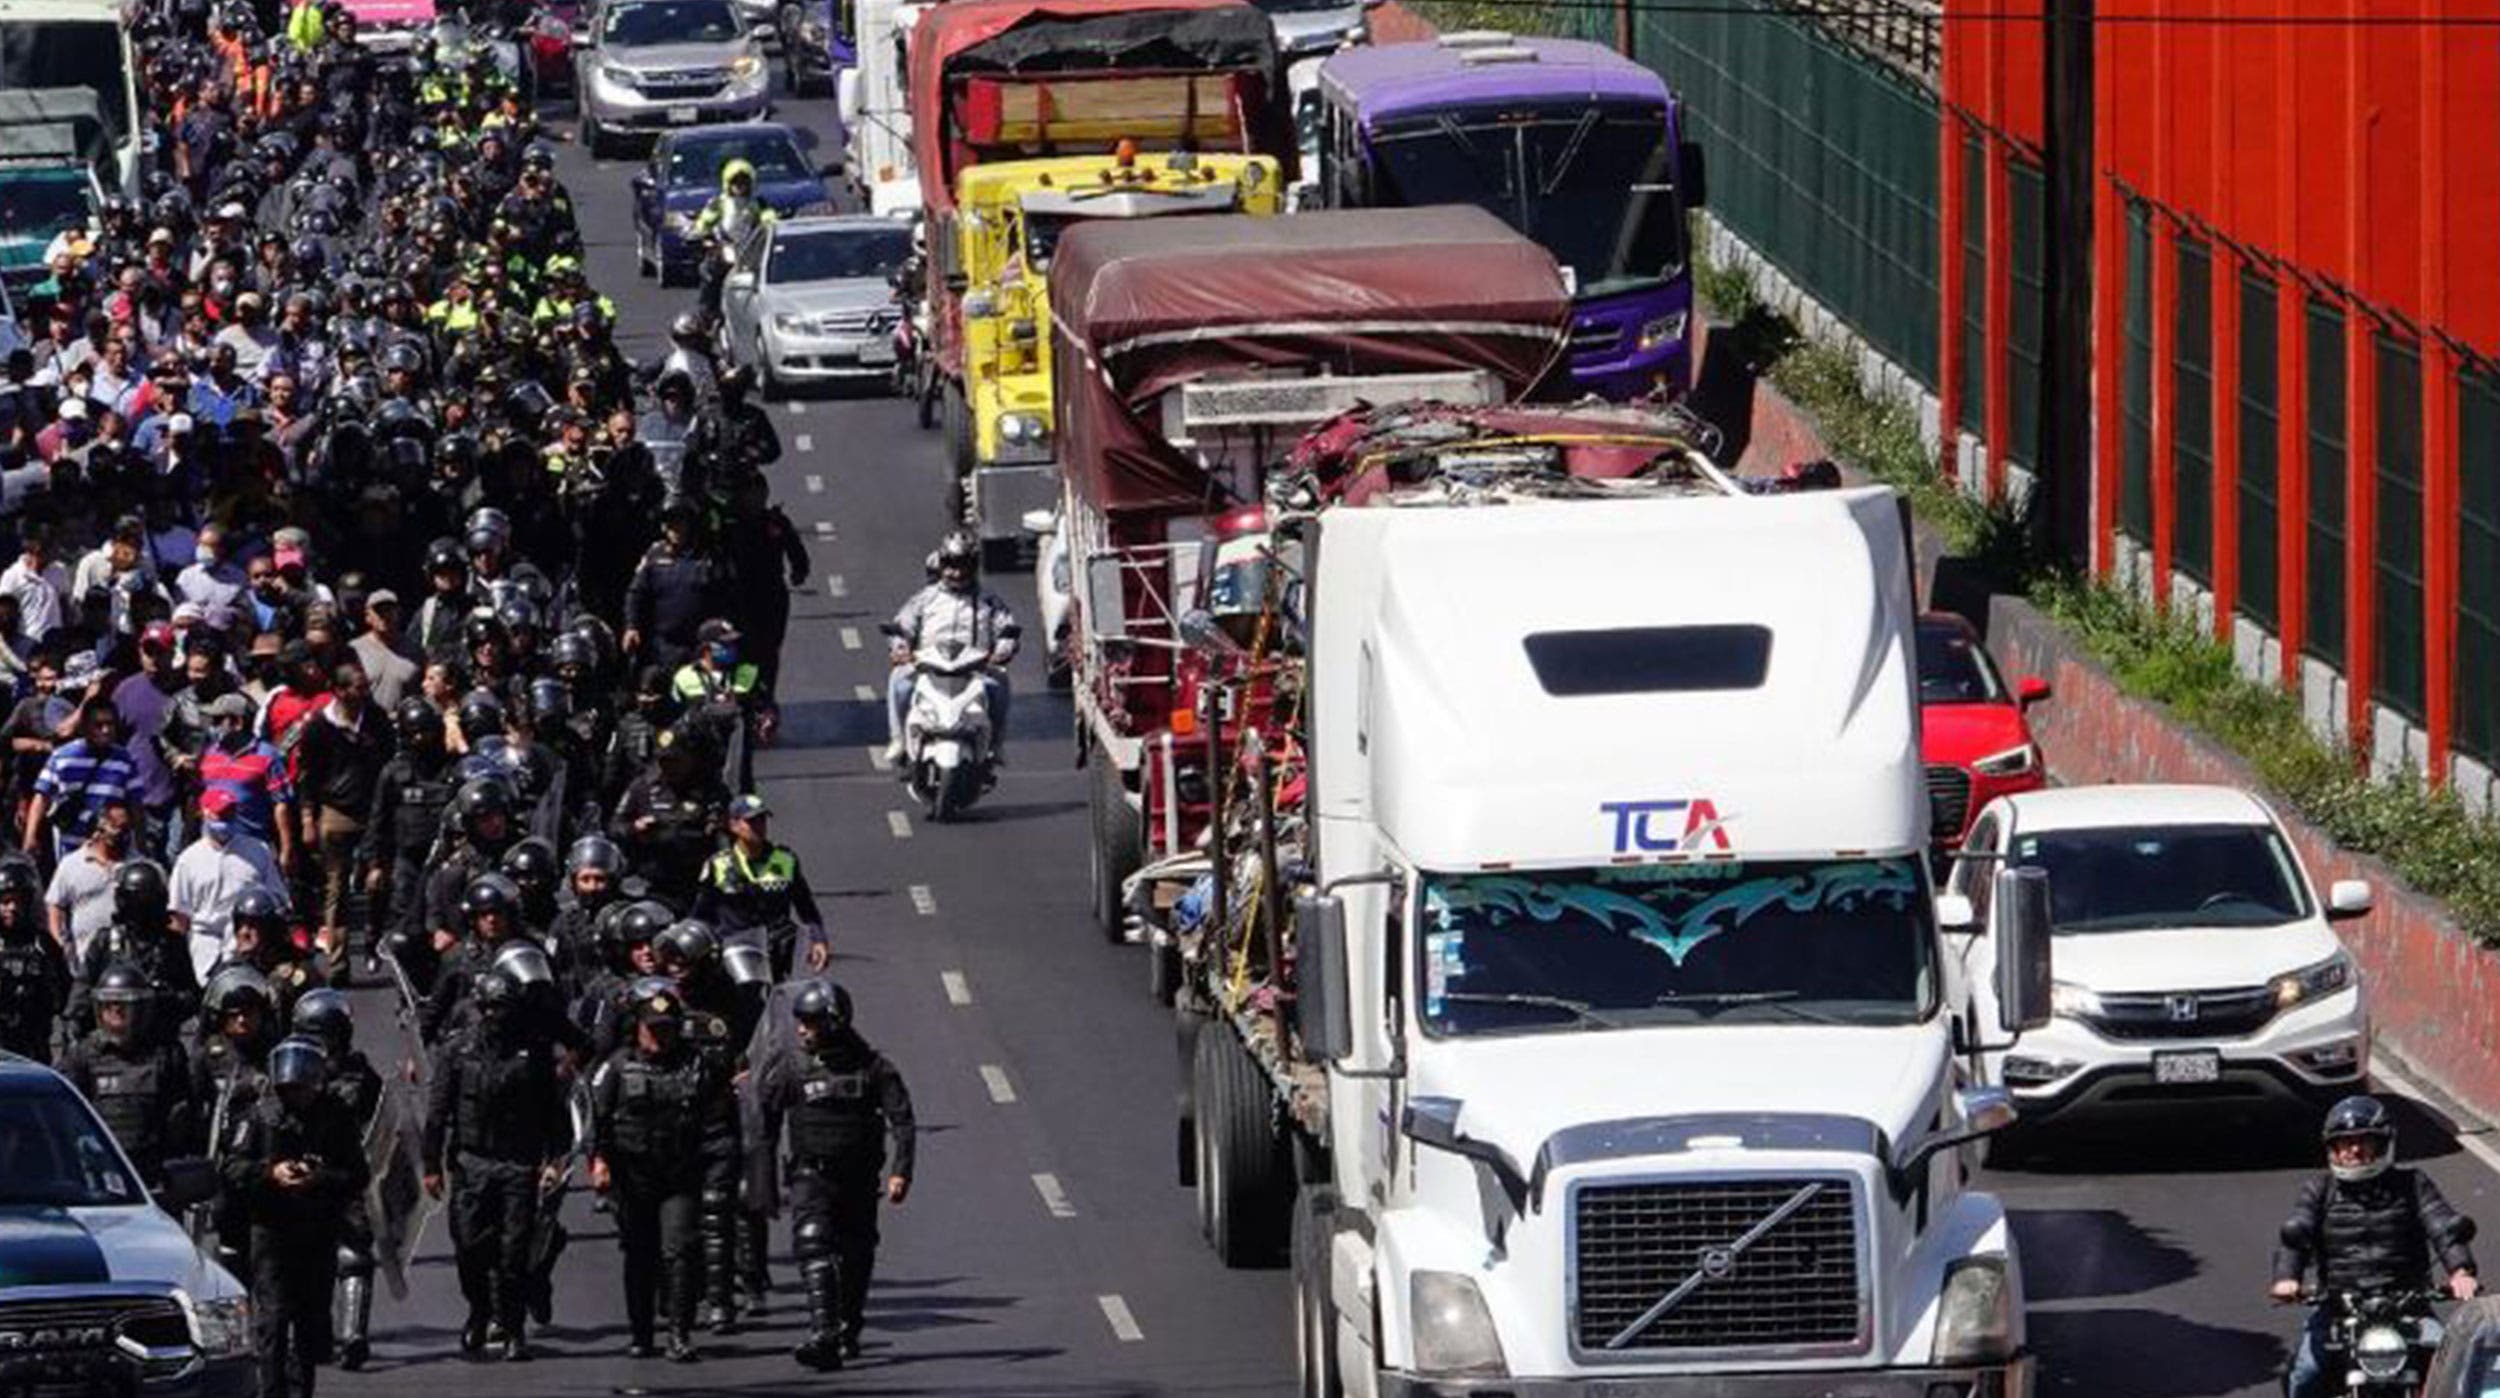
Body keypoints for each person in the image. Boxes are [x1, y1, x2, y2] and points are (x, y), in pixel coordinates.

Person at [750, 980, 914, 1370]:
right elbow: (764, 1126)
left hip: (858, 1179)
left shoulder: (874, 1068)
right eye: (800, 1022)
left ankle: (847, 1329)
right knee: (812, 1243)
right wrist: (761, 1184)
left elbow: (903, 1121)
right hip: (811, 1175)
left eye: (811, 1022)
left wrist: (901, 1172)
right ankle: (823, 1335)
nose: (802, 1030)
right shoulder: (790, 1068)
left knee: (855, 1254)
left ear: (834, 1022)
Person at [2273, 1095, 2480, 1398]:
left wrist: (2460, 1271)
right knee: (2306, 1374)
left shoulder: (2413, 1184)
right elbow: (2297, 1233)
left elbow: (2443, 1225)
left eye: (2364, 1141)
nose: (2355, 1150)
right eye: (2346, 1143)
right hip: (2338, 1308)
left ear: (2383, 1144)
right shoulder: (2319, 1189)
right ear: (2333, 1148)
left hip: (2408, 1307)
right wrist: (2287, 1279)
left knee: (2451, 1369)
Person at [422, 966, 571, 1361]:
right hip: (470, 1162)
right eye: (488, 1007)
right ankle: (479, 1310)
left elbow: (553, 1112)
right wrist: (431, 1165)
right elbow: (437, 1111)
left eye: (502, 1008)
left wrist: (555, 1160)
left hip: (518, 1164)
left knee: (514, 1252)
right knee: (469, 1245)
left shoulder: (535, 1052)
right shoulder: (457, 1051)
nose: (494, 1016)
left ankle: (513, 1327)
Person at [591, 976, 740, 1362]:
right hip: (633, 1176)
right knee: (639, 1254)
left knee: (680, 1250)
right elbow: (597, 1118)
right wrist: (599, 1161)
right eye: (652, 1029)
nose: (659, 1037)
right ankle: (641, 1334)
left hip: (680, 1174)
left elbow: (720, 1118)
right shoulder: (618, 1067)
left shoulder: (698, 1065)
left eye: (667, 1029)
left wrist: (722, 1169)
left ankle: (679, 1333)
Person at [221, 1034, 369, 1398]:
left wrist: (320, 1177)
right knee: (272, 1320)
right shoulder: (259, 1116)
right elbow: (232, 1168)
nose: (295, 1095)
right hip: (272, 1229)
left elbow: (357, 1174)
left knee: (309, 1324)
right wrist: (270, 1173)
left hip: (318, 1231)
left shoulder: (335, 1117)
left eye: (301, 1088)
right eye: (289, 1088)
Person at [288, 989, 383, 1370]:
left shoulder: (360, 1074)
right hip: (303, 1173)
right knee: (303, 1256)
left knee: (354, 1251)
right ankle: (311, 1334)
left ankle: (352, 1335)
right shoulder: (292, 1069)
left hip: (345, 1170)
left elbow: (381, 1119)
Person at [882, 530, 1017, 768]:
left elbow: (1007, 628)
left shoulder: (988, 601)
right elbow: (901, 626)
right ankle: (899, 740)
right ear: (941, 566)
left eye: (963, 566)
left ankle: (995, 745)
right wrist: (900, 648)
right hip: (928, 667)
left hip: (975, 669)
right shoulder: (924, 599)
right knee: (900, 683)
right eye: (951, 566)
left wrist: (1003, 650)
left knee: (999, 685)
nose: (957, 573)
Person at [58, 962, 197, 1189]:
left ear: (142, 1009)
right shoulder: (82, 1056)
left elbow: (181, 1118)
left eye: (123, 1005)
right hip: (99, 1173)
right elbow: (66, 1118)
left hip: (152, 1174)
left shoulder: (167, 1055)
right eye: (108, 1004)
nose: (115, 1012)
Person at [694, 794, 827, 980]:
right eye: (751, 822)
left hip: (777, 953)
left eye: (761, 820)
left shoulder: (785, 860)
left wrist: (818, 940)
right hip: (735, 956)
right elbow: (701, 915)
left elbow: (806, 907)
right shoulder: (718, 865)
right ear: (733, 825)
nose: (758, 827)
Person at [169, 788, 289, 976]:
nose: (226, 819)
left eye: (230, 813)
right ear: (205, 813)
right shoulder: (188, 860)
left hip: (250, 941)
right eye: (220, 814)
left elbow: (278, 898)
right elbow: (179, 916)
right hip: (206, 946)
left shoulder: (258, 850)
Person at [0, 854, 70, 1061]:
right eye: (5, 901)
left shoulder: (42, 944)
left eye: (18, 901)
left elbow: (63, 996)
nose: (12, 908)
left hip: (33, 1045)